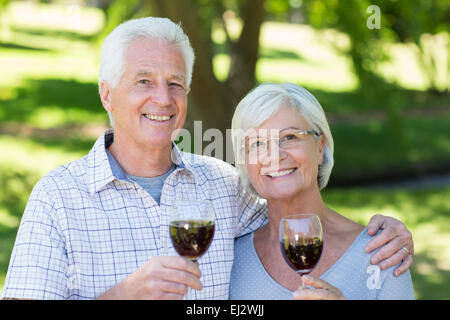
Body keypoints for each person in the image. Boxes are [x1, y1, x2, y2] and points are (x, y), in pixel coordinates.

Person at [1, 17, 413, 300]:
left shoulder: (222, 184)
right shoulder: (57, 198)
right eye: (144, 80)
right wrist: (122, 294)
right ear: (107, 93)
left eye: (175, 83)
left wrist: (385, 230)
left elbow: (291, 203)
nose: (162, 99)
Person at [229, 83, 415, 300]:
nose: (274, 155)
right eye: (258, 143)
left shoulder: (382, 251)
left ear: (319, 147)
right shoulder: (229, 255)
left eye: (289, 137)